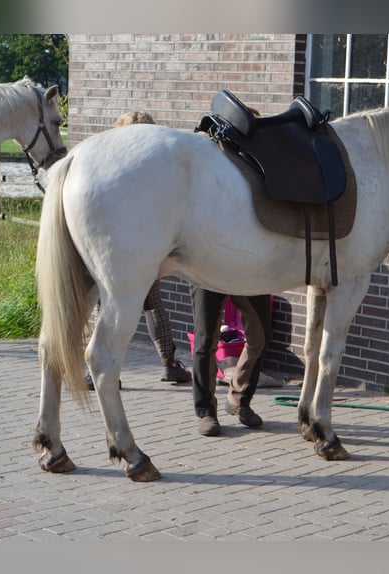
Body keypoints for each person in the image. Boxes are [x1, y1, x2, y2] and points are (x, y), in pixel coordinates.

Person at [86, 111, 192, 389]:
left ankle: (102, 371)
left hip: (108, 244)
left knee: (106, 304)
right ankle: (169, 365)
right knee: (152, 304)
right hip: (146, 243)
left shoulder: (107, 163)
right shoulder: (155, 166)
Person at [191, 289, 272, 436]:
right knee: (205, 341)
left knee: (259, 337)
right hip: (207, 273)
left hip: (249, 273)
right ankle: (206, 411)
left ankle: (239, 398)